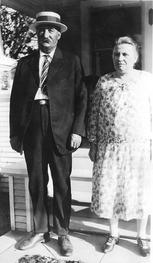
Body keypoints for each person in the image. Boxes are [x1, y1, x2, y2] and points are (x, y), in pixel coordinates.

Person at [9, 11, 87, 256]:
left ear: (58, 35)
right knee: (37, 181)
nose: (45, 34)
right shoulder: (25, 63)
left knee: (62, 182)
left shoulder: (71, 61)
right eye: (41, 29)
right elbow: (16, 102)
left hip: (62, 130)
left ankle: (63, 233)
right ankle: (40, 230)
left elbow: (81, 99)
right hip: (32, 127)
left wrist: (77, 131)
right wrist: (15, 135)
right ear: (36, 33)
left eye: (51, 30)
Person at [87, 36, 152, 257]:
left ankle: (142, 236)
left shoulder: (147, 80)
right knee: (111, 191)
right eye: (116, 54)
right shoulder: (104, 81)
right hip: (109, 149)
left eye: (125, 54)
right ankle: (113, 233)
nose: (120, 58)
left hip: (139, 149)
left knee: (141, 193)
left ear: (135, 57)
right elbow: (93, 114)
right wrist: (93, 143)